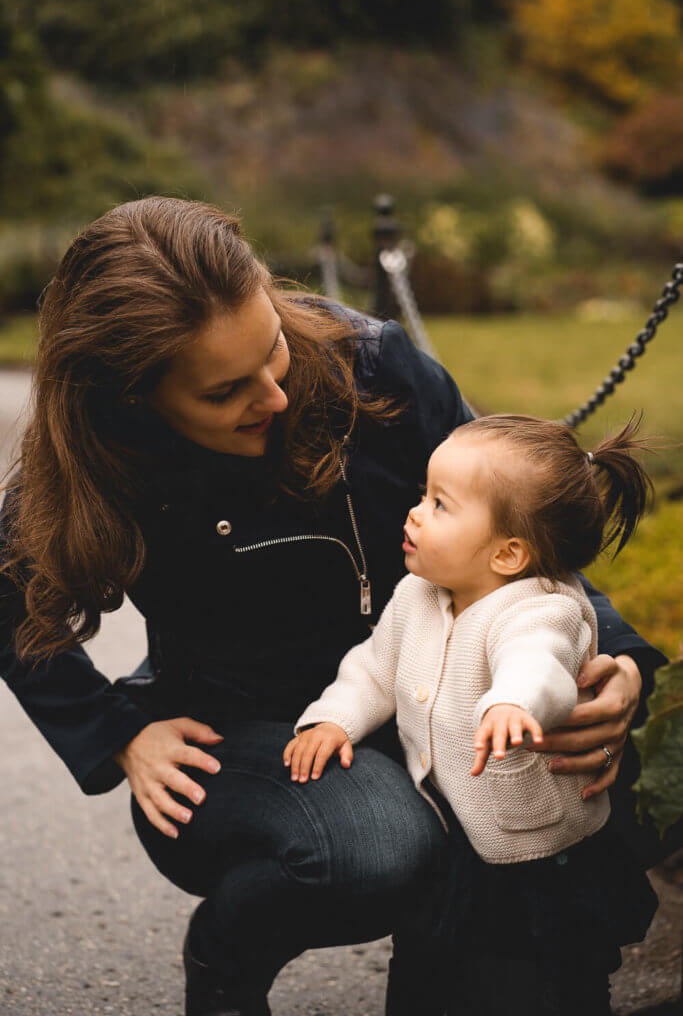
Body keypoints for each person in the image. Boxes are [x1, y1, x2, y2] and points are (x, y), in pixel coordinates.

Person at [0, 197, 667, 1016]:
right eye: (225, 392)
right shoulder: (106, 444)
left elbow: (518, 540)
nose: (273, 397)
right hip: (241, 739)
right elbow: (9, 586)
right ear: (137, 399)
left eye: (273, 348)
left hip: (428, 691)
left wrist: (623, 665)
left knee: (578, 785)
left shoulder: (374, 367)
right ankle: (224, 962)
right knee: (382, 842)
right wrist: (116, 734)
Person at [285, 414, 660, 1015]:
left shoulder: (541, 610)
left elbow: (539, 665)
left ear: (510, 553)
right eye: (420, 497)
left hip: (537, 861)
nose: (413, 514)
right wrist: (335, 719)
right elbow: (374, 669)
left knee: (538, 990)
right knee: (427, 977)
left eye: (440, 504)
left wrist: (512, 701)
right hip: (453, 836)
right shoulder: (417, 594)